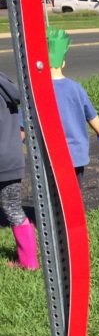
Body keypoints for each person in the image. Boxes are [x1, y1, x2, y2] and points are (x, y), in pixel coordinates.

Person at [48, 27, 99, 180]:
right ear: (63, 63)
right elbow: (92, 116)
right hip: (76, 153)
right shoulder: (76, 88)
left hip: (52, 154)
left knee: (53, 194)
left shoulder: (40, 91)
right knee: (73, 195)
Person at [0, 70, 38, 269]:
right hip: (13, 158)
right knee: (13, 207)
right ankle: (29, 261)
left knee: (11, 207)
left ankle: (29, 262)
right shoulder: (7, 88)